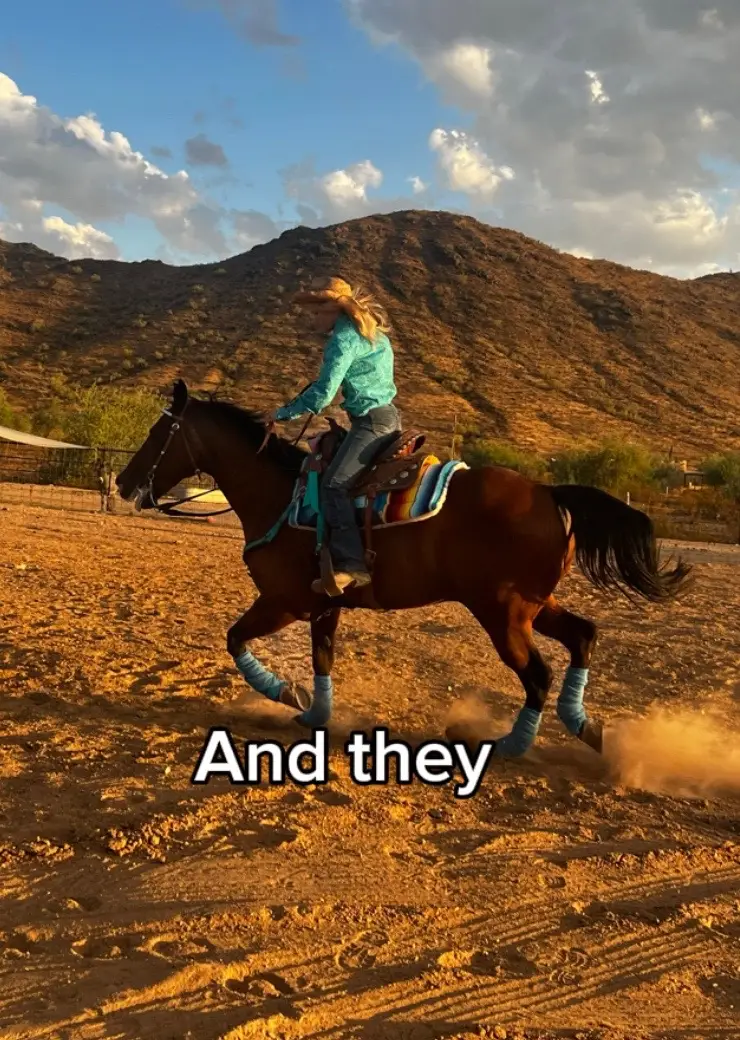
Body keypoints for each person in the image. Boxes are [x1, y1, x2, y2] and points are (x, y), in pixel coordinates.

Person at [269, 276, 400, 595]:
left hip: (371, 422)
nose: (313, 318)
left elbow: (324, 392)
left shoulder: (343, 338)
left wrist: (280, 413)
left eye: (317, 311)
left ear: (332, 309)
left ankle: (351, 564)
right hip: (388, 417)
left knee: (334, 485)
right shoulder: (373, 334)